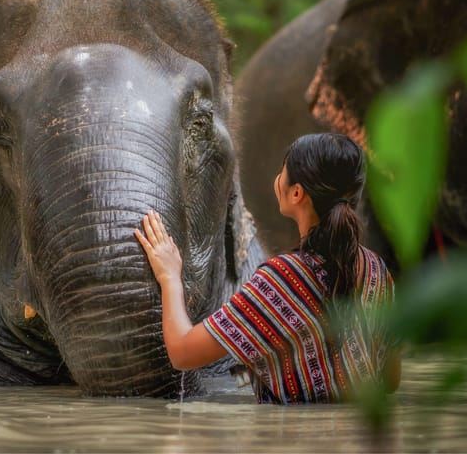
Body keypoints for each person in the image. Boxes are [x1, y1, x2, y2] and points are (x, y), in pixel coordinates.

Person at [134, 133, 399, 404]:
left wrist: (169, 278)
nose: (278, 178)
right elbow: (391, 380)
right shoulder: (377, 271)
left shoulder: (282, 279)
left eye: (282, 171)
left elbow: (182, 353)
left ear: (296, 193)